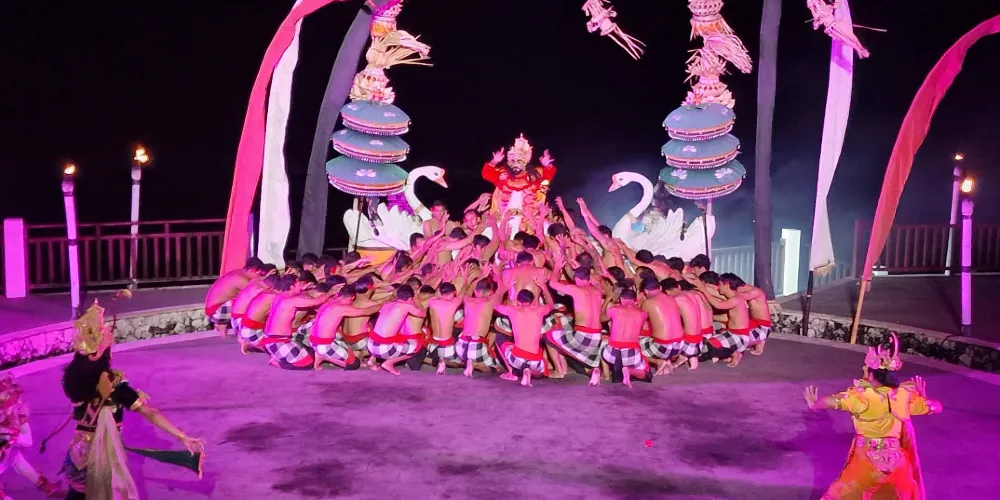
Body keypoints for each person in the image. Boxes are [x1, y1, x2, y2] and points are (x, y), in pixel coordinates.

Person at [59, 300, 204, 500]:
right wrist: (182, 436)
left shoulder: (71, 377)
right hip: (102, 456)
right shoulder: (114, 385)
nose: (109, 333)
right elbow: (150, 412)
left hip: (78, 452)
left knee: (76, 495)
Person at [804, 334, 940, 499]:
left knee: (843, 494)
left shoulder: (862, 397)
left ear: (871, 375)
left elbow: (833, 402)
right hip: (897, 465)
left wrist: (815, 403)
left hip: (867, 463)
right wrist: (924, 399)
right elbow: (936, 407)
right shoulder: (903, 396)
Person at [481, 134, 556, 233]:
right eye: (513, 161)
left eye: (519, 161)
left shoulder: (534, 174)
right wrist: (494, 161)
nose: (515, 164)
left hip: (528, 219)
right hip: (504, 218)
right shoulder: (503, 173)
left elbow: (548, 174)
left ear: (525, 162)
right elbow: (487, 174)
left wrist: (547, 165)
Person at [0, 375, 60, 498]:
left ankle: (44, 486)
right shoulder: (7, 427)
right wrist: (21, 425)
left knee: (17, 459)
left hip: (7, 446)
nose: (18, 400)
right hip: (4, 444)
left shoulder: (11, 418)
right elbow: (27, 441)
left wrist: (21, 422)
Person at [261, 275, 333, 370]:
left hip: (271, 339)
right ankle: (277, 362)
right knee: (307, 363)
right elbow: (317, 301)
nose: (301, 285)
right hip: (277, 342)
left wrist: (302, 289)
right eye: (298, 284)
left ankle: (280, 356)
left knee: (310, 353)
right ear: (292, 286)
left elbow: (300, 297)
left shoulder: (280, 296)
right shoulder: (291, 301)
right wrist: (331, 292)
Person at [546, 264, 606, 377]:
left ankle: (559, 371)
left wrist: (557, 266)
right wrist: (583, 269)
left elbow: (552, 283)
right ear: (588, 278)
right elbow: (597, 282)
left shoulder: (576, 290)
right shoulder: (598, 290)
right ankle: (593, 371)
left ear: (576, 278)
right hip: (597, 337)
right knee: (581, 357)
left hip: (582, 336)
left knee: (548, 336)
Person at [495, 277, 555, 387]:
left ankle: (512, 373)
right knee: (540, 371)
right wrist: (543, 287)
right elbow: (551, 304)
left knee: (499, 338)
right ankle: (530, 372)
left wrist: (504, 289)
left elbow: (495, 304)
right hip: (536, 361)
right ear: (532, 301)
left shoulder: (512, 310)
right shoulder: (540, 310)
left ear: (518, 301)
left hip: (517, 359)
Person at [309, 287, 383, 370]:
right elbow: (366, 311)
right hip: (323, 346)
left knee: (344, 342)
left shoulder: (329, 302)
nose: (351, 303)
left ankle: (322, 354)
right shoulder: (340, 308)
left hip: (313, 341)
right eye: (351, 301)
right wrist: (382, 304)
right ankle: (322, 357)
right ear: (350, 298)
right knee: (354, 364)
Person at [591, 289, 651, 387]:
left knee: (604, 342)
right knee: (647, 375)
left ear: (621, 299)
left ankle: (605, 374)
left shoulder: (614, 309)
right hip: (631, 355)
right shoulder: (642, 314)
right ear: (635, 300)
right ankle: (629, 370)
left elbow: (600, 318)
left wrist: (606, 301)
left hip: (611, 354)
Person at [693, 272, 751, 368]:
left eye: (720, 284)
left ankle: (735, 353)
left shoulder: (736, 299)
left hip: (739, 337)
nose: (718, 287)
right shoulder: (736, 297)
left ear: (726, 284)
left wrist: (703, 290)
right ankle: (728, 352)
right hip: (734, 334)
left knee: (710, 345)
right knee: (706, 346)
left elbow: (718, 305)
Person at [367, 285, 427, 375]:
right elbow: (423, 314)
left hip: (371, 345)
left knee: (392, 336)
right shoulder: (405, 306)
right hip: (384, 349)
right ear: (410, 298)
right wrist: (417, 300)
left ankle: (371, 360)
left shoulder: (386, 304)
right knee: (418, 344)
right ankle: (389, 363)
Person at [456, 278, 506, 377]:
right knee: (495, 368)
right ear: (490, 292)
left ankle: (469, 361)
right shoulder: (491, 301)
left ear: (475, 291)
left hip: (461, 345)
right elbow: (502, 288)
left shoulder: (467, 299)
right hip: (476, 345)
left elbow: (467, 288)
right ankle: (474, 364)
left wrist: (481, 276)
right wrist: (498, 275)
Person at [203, 257, 264, 336]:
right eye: (259, 274)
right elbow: (256, 294)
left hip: (213, 309)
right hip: (216, 310)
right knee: (248, 302)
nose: (259, 276)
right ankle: (222, 324)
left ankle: (220, 323)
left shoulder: (239, 273)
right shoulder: (241, 279)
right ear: (252, 270)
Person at [638, 279, 684, 375]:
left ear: (646, 291)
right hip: (679, 346)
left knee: (631, 347)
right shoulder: (672, 298)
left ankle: (658, 361)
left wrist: (639, 301)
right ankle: (667, 361)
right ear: (660, 288)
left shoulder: (648, 303)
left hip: (662, 347)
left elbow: (638, 323)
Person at [425, 282, 465, 375]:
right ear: (454, 292)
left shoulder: (431, 301)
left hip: (433, 345)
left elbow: (436, 294)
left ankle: (433, 359)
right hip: (447, 346)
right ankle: (442, 360)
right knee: (462, 363)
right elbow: (464, 290)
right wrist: (466, 278)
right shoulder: (453, 303)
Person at [738, 281, 771, 355]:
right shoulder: (748, 291)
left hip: (763, 327)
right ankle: (757, 340)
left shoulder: (756, 292)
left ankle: (760, 341)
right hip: (753, 323)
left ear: (740, 287)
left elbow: (738, 296)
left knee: (739, 340)